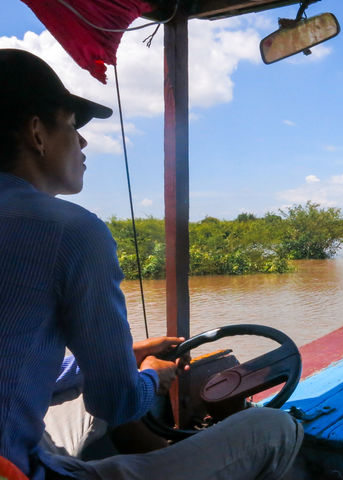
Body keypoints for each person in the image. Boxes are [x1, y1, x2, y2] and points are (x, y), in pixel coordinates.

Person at [0, 49, 302, 480]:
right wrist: (153, 378)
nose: (83, 142)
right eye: (71, 124)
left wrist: (126, 354)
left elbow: (15, 368)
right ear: (37, 133)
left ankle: (156, 453)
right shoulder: (70, 230)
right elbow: (117, 402)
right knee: (272, 429)